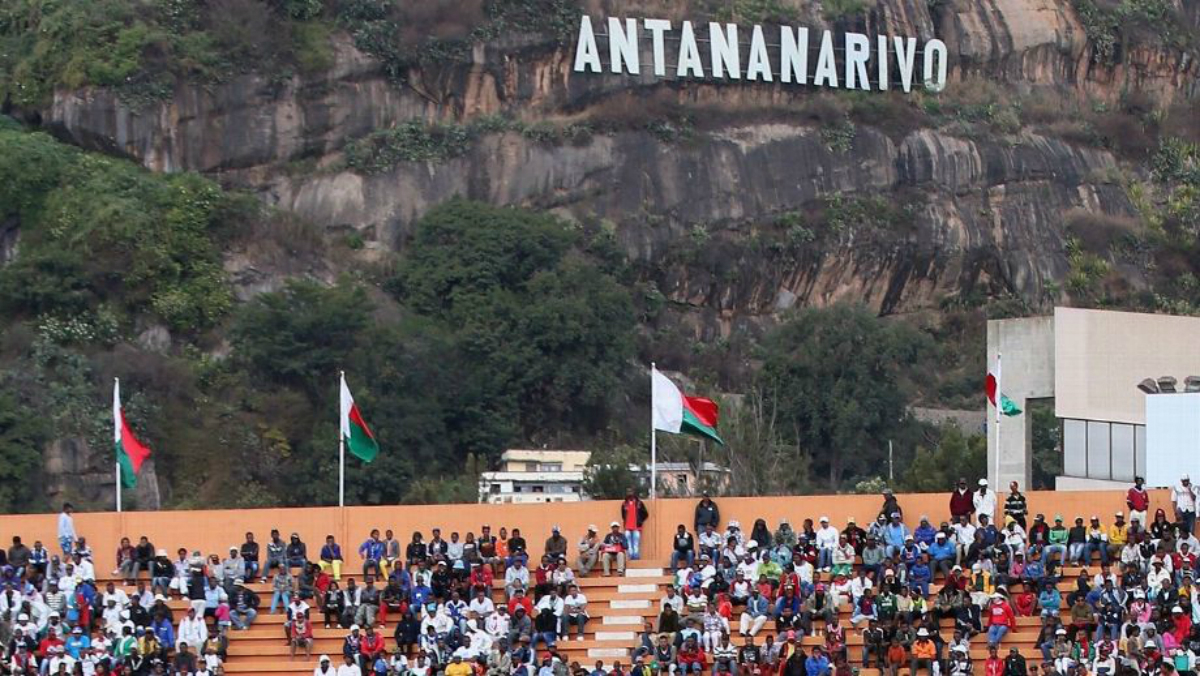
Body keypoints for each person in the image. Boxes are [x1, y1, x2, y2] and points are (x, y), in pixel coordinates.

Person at [621, 489, 649, 560]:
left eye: (631, 491)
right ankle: (631, 556)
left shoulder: (639, 503)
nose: (629, 493)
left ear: (634, 493)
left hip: (637, 527)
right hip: (627, 527)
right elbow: (623, 515)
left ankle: (636, 556)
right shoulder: (624, 504)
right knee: (628, 542)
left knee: (636, 543)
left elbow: (646, 514)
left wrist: (640, 521)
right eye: (628, 492)